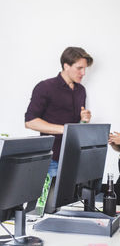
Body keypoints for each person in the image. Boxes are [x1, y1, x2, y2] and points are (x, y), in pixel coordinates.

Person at [25, 47, 93, 177]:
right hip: (52, 159)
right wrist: (65, 129)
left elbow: (76, 125)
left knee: (74, 197)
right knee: (52, 197)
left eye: (85, 69)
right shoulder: (45, 87)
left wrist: (83, 119)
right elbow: (30, 122)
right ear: (66, 66)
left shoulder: (81, 90)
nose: (83, 73)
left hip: (75, 156)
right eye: (79, 68)